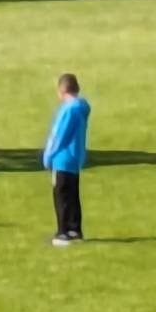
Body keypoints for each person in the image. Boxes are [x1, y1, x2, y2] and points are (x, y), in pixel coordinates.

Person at [43, 74, 91, 247]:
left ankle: (63, 232)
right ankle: (74, 229)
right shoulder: (82, 107)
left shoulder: (67, 110)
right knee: (72, 196)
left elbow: (59, 135)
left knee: (61, 196)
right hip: (75, 158)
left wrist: (47, 157)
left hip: (62, 159)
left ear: (61, 90)